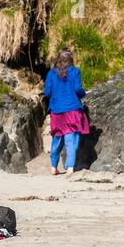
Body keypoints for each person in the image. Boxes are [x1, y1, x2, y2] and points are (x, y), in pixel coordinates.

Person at [43, 48, 90, 176]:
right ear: (71, 59)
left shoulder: (51, 73)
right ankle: (70, 168)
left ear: (58, 59)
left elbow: (46, 92)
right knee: (71, 139)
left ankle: (53, 167)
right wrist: (83, 94)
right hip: (72, 109)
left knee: (57, 139)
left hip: (56, 110)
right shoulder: (75, 71)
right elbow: (78, 89)